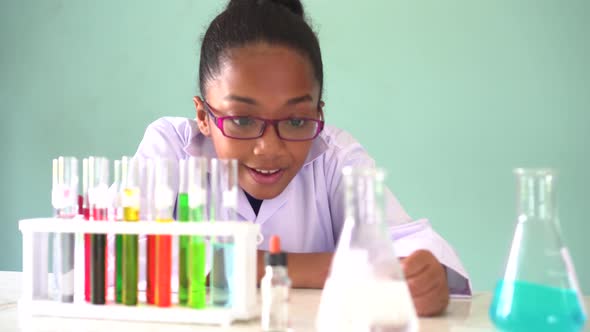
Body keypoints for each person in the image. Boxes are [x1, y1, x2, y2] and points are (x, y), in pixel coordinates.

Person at [135, 0, 470, 316]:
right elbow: (121, 259)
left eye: (296, 121)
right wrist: (274, 265)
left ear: (318, 112)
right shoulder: (170, 147)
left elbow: (408, 253)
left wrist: (426, 277)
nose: (268, 147)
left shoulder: (335, 156)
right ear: (204, 115)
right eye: (242, 119)